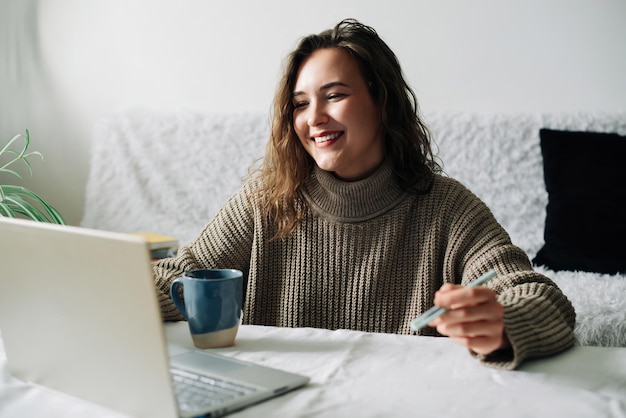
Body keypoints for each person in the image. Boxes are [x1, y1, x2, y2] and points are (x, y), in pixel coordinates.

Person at [153, 18, 575, 370]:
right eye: (300, 104)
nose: (314, 118)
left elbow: (541, 298)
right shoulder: (266, 201)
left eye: (334, 95)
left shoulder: (448, 209)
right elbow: (182, 274)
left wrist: (502, 323)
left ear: (383, 103)